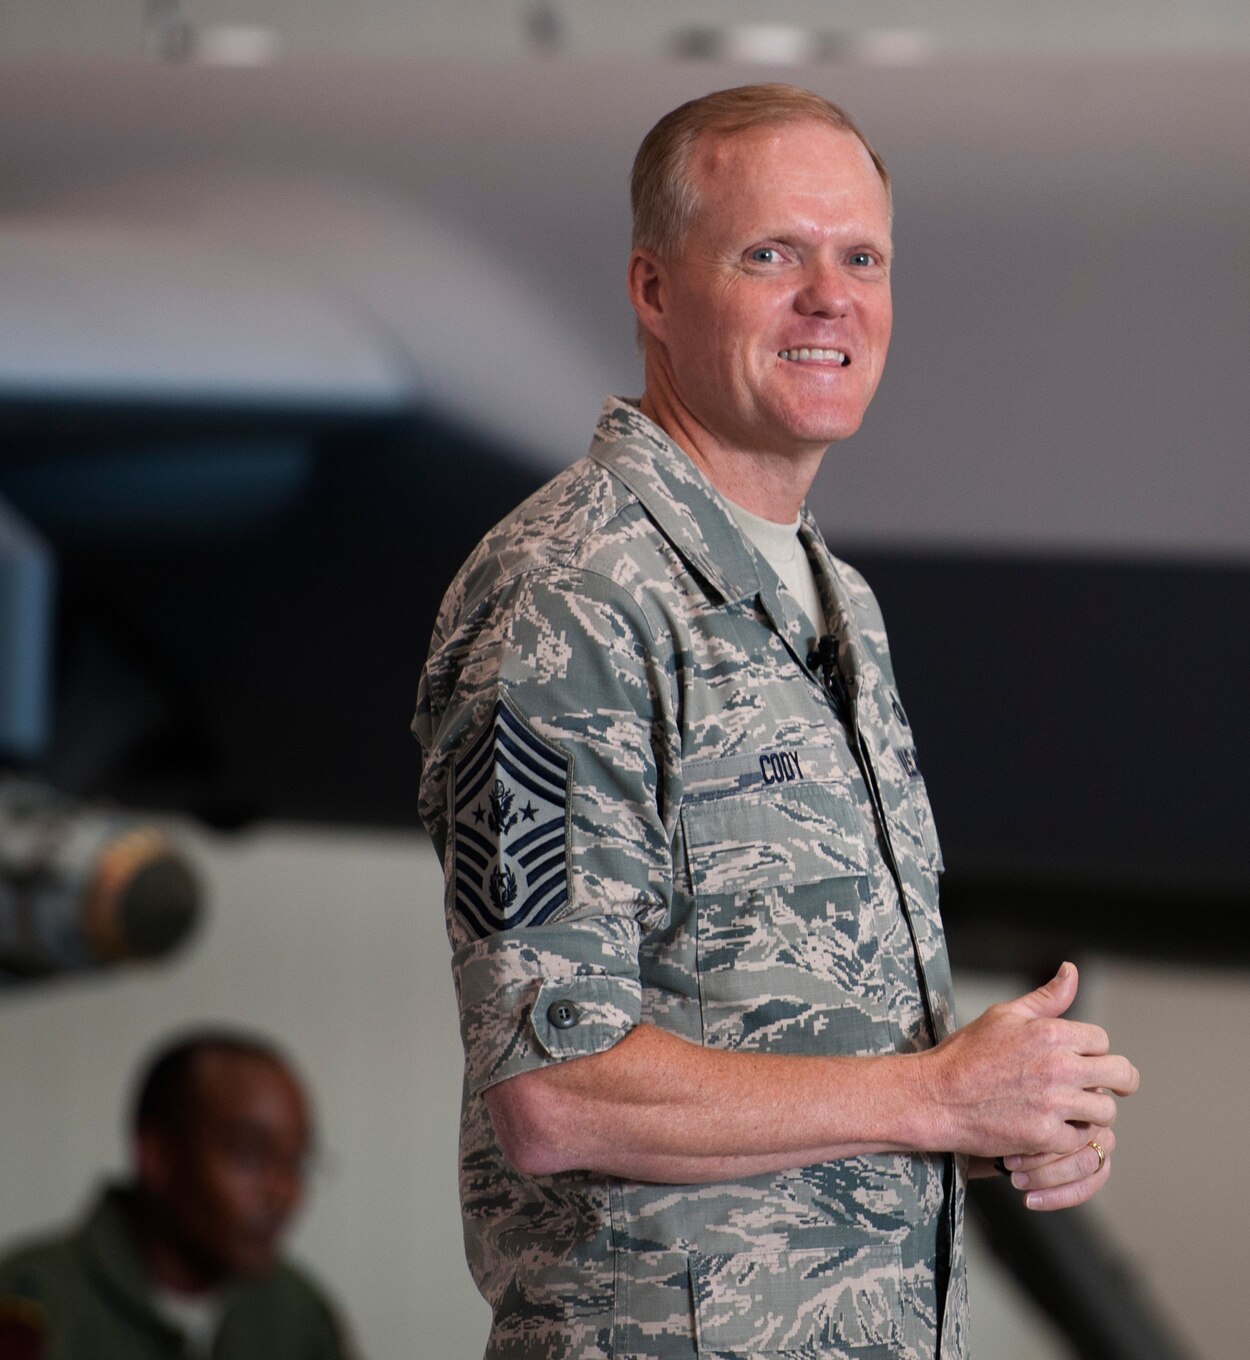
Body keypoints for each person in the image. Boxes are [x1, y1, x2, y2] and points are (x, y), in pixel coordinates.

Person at [411, 83, 1139, 1360]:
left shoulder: (831, 599)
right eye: (771, 255)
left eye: (861, 257)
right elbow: (556, 1093)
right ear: (652, 292)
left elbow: (798, 1051)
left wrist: (996, 1113)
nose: (830, 298)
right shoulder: (570, 600)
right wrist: (933, 1092)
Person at [0, 1031, 350, 1360]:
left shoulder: (299, 1311)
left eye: (296, 1162)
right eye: (251, 1156)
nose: (284, 1192)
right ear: (158, 1156)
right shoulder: (33, 1300)